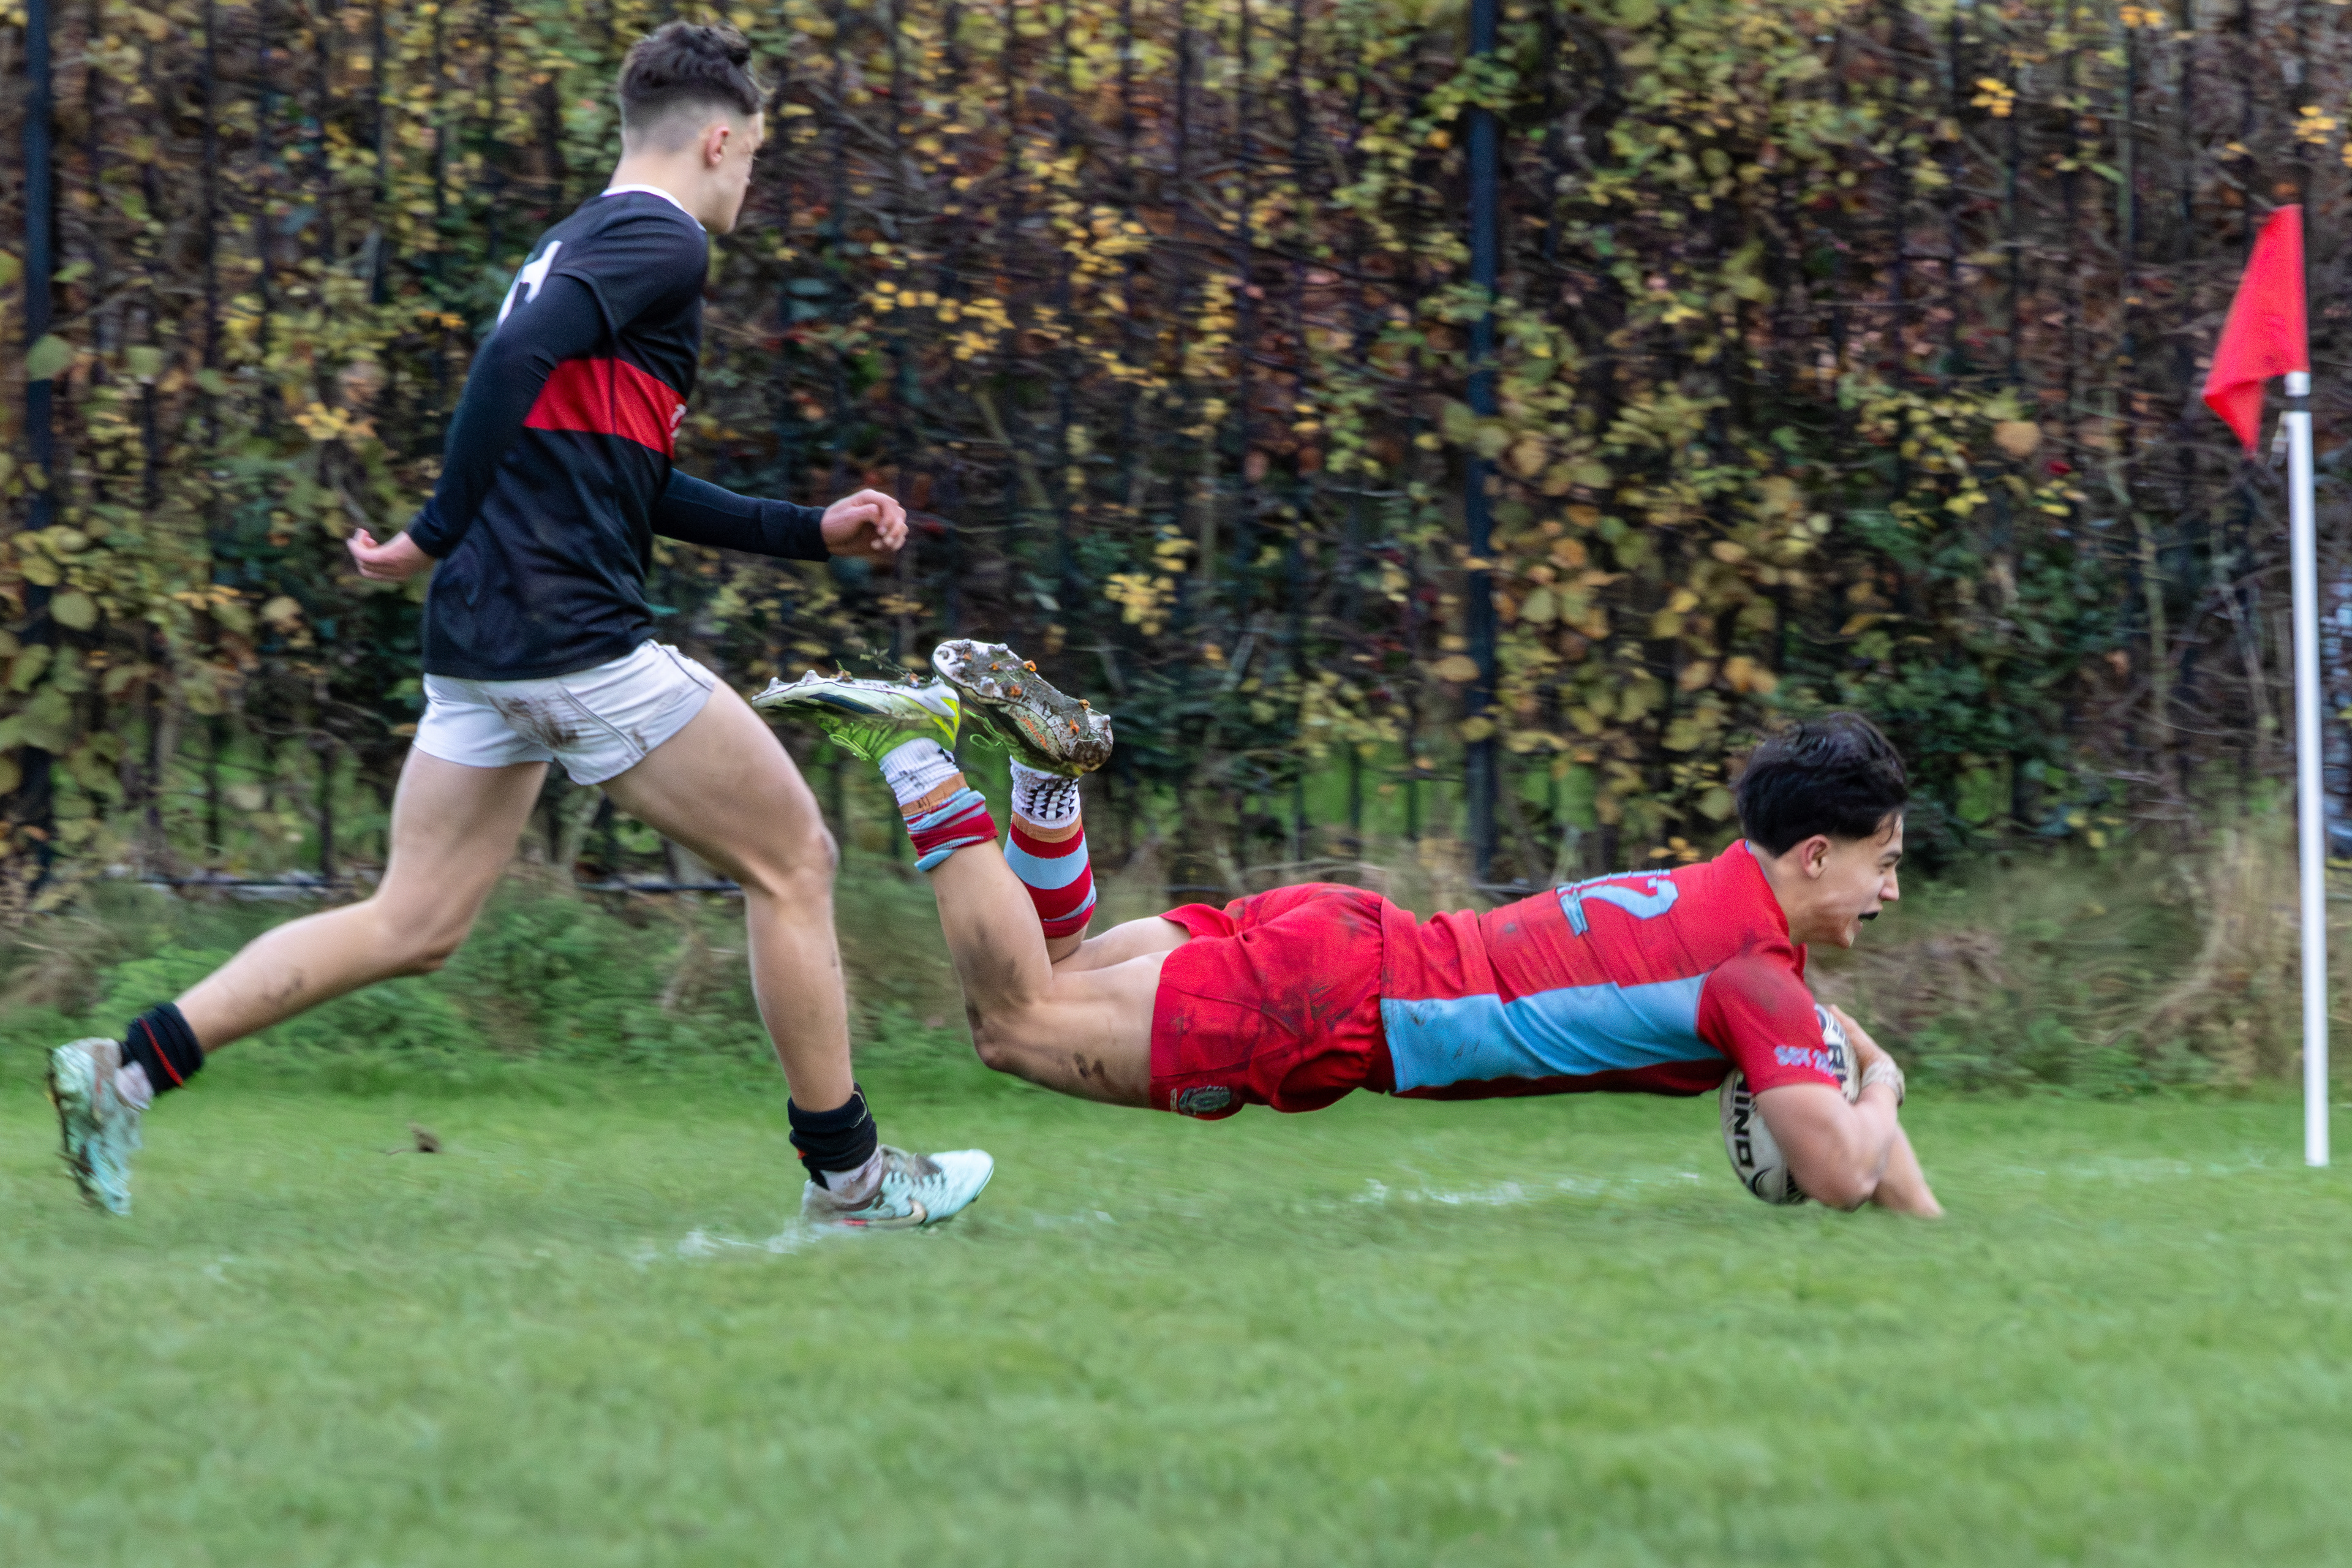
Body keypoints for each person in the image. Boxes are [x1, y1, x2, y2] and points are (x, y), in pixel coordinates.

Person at [47, 23, 992, 1229]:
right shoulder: (661, 238)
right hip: (571, 634)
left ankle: (123, 1067)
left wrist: (809, 529)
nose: (750, 178)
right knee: (793, 859)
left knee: (415, 922)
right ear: (717, 139)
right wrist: (433, 527)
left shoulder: (575, 241)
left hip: (486, 641)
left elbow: (630, 479)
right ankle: (853, 1179)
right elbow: (511, 360)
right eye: (752, 155)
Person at [758, 642, 1940, 1216]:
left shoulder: (1724, 906)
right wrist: (1880, 1080)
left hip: (1338, 935)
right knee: (1016, 1023)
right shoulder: (1755, 980)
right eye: (1884, 866)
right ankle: (914, 749)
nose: (1891, 894)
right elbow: (1838, 1171)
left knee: (1052, 963)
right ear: (1816, 854)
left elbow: (1800, 1041)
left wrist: (1923, 1216)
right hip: (1324, 1010)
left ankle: (1048, 780)